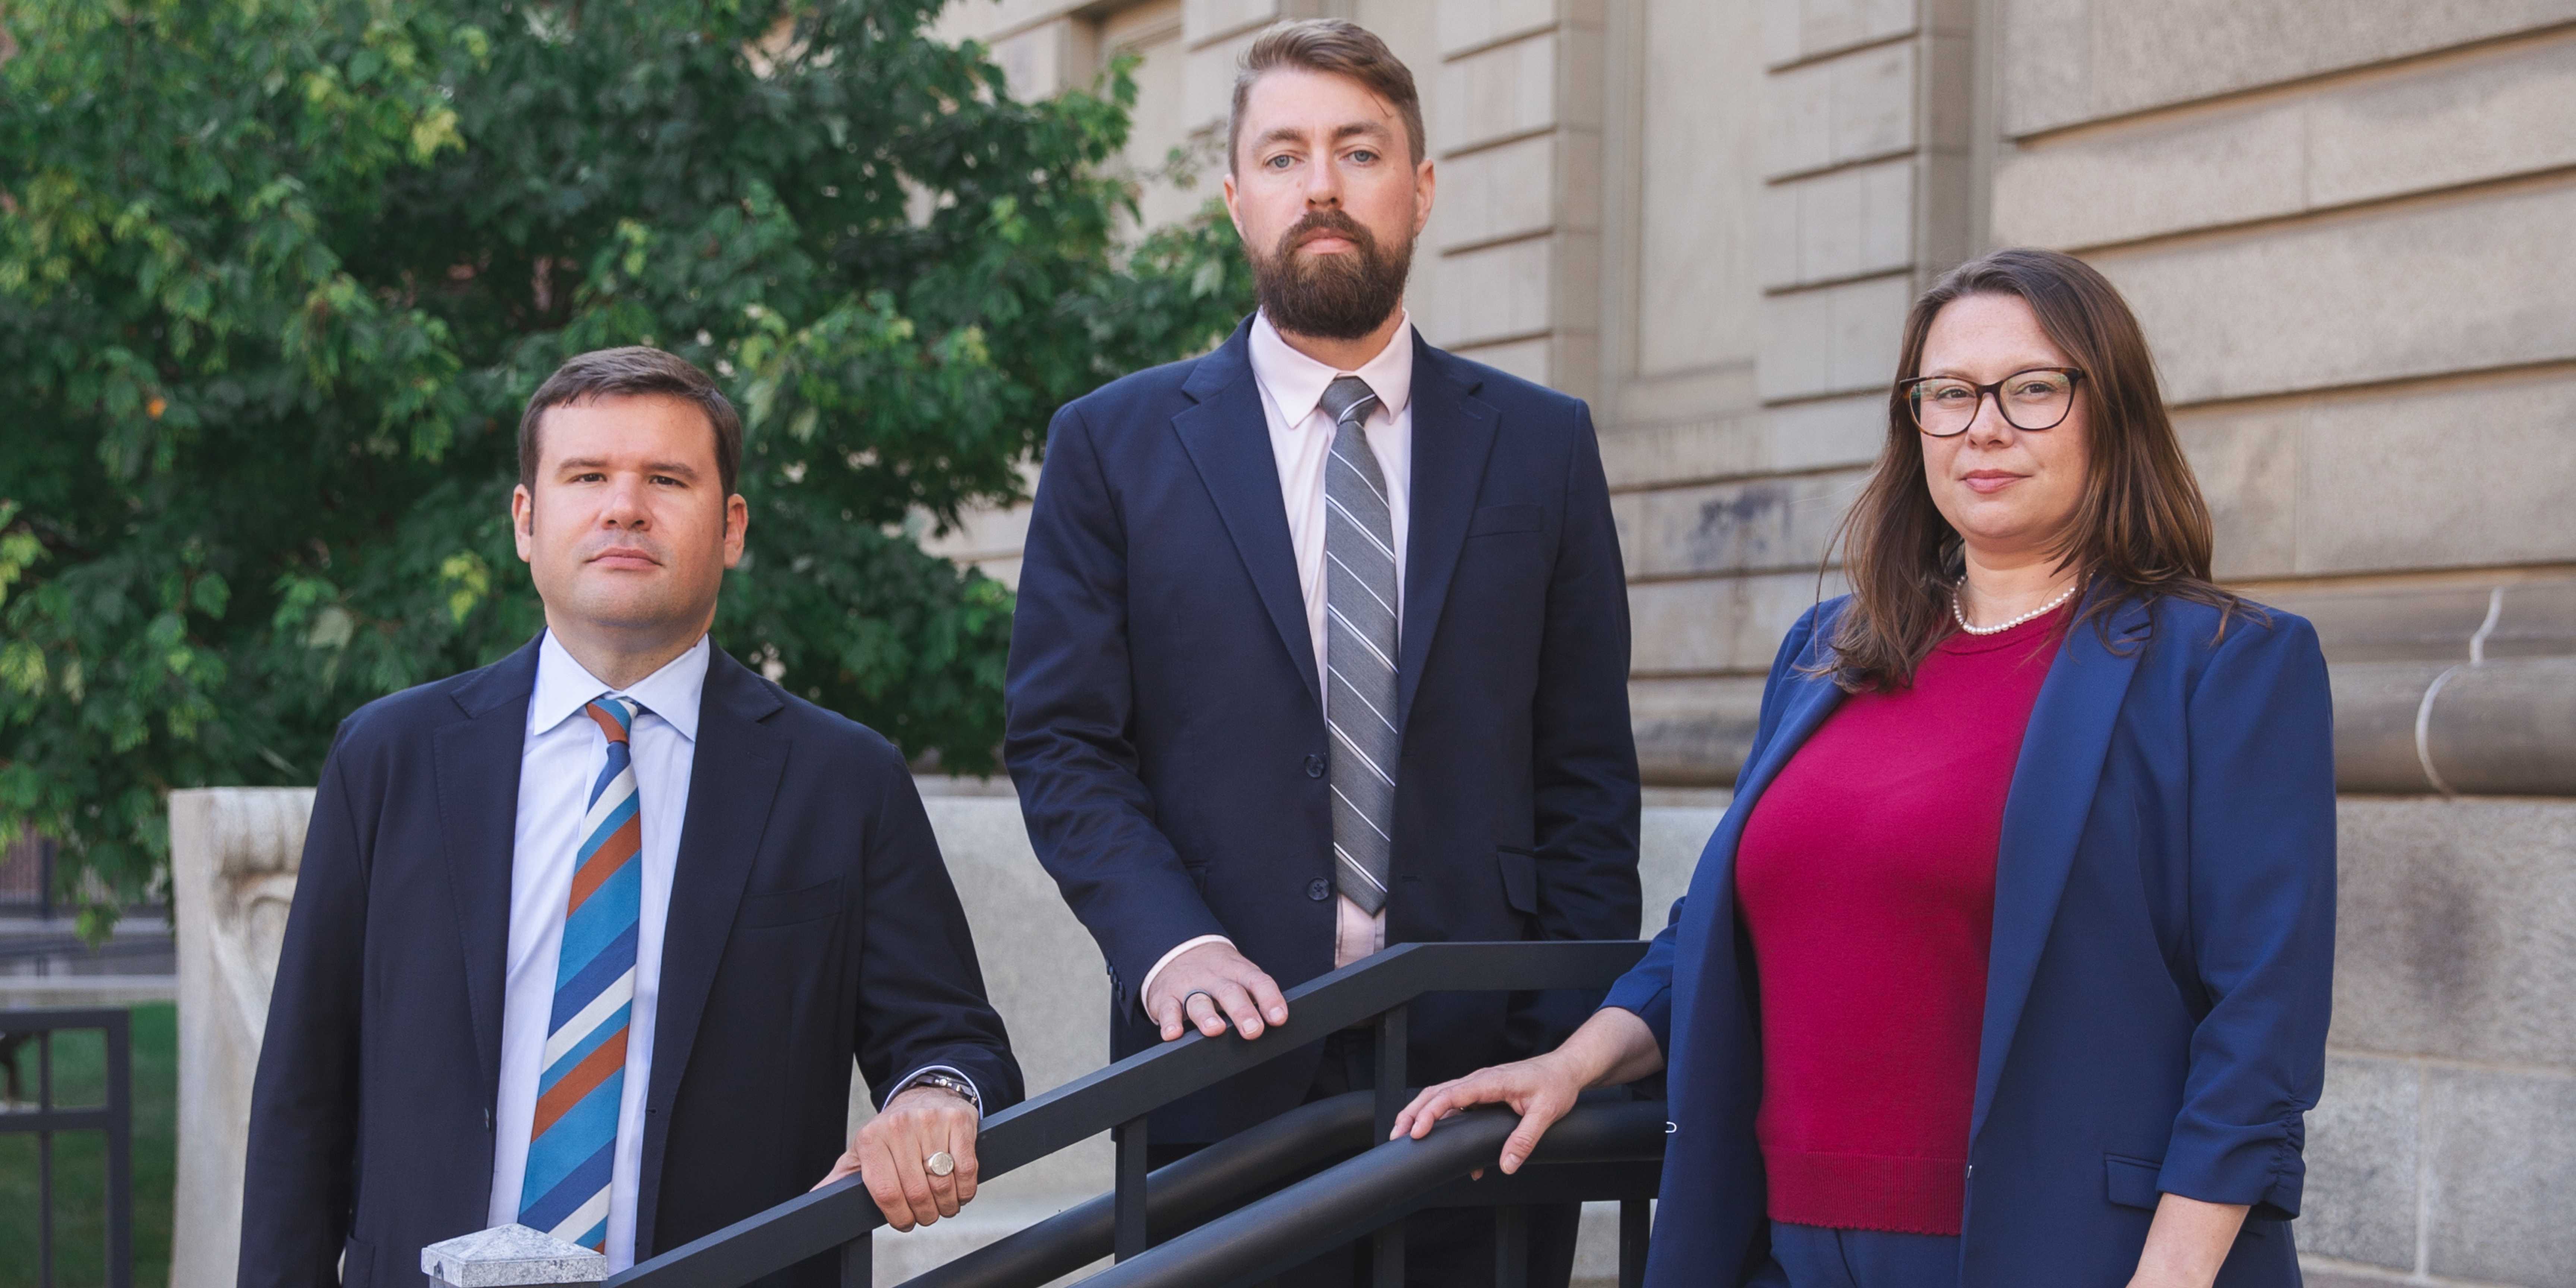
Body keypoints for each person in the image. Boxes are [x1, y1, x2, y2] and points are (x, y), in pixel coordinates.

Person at [1393, 248, 2336, 1288]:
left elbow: (2262, 1029)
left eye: (2031, 390)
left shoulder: (2223, 666)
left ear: (2109, 412)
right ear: (1913, 423)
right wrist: (1571, 1063)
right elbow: (1711, 933)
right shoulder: (1825, 655)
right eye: (1948, 394)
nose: (1984, 426)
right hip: (1775, 1251)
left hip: (2068, 1253)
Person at [1003, 19, 1641, 1287]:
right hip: (1214, 1078)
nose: (1324, 184)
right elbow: (1064, 743)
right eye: (1285, 155)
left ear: (1421, 186)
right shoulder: (1111, 446)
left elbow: (1585, 772)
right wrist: (1171, 947)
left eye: (1360, 150)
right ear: (1238, 199)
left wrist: (1557, 1035)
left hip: (1481, 1085)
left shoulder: (1541, 445)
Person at [239, 347, 1023, 1288]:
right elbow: (302, 1099)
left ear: (731, 528)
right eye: (587, 477)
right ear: (526, 522)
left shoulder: (841, 777)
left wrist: (937, 1096)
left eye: (666, 478)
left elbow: (950, 1038)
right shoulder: (389, 759)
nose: (624, 507)